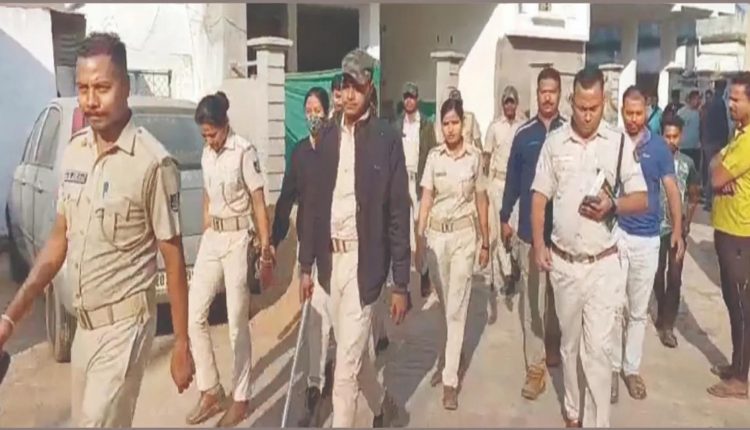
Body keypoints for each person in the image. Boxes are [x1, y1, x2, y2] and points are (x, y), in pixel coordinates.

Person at [0, 32, 195, 426]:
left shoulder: (152, 163)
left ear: (126, 87)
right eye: (83, 88)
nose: (90, 100)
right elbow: (59, 238)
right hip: (84, 330)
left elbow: (173, 258)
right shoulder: (75, 151)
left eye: (102, 88)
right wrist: (10, 316)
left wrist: (181, 343)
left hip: (125, 330)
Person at [297, 48, 409, 427]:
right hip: (330, 264)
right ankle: (383, 408)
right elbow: (313, 206)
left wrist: (401, 283)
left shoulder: (386, 139)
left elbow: (398, 212)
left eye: (356, 87)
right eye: (344, 86)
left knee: (343, 374)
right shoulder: (326, 137)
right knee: (354, 357)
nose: (349, 94)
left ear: (370, 87)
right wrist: (306, 266)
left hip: (364, 266)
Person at [531, 66, 648, 428]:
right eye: (581, 107)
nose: (586, 115)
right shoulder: (555, 143)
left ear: (604, 102)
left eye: (594, 108)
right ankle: (572, 412)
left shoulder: (618, 143)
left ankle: (599, 423)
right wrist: (538, 245)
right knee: (569, 346)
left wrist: (614, 205)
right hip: (564, 265)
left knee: (597, 351)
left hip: (603, 265)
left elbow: (642, 198)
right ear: (571, 101)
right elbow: (539, 197)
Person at [186, 91, 274, 427]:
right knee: (195, 313)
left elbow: (258, 200)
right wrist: (206, 224)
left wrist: (265, 249)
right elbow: (207, 194)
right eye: (204, 135)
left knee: (237, 322)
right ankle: (210, 389)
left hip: (238, 239)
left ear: (225, 124)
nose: (209, 140)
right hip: (214, 237)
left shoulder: (243, 152)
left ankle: (241, 397)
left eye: (212, 133)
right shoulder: (206, 153)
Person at [609, 86, 684, 404]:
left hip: (648, 239)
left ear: (646, 112)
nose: (633, 119)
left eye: (639, 113)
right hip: (618, 235)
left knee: (638, 311)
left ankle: (631, 369)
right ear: (622, 112)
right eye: (628, 113)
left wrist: (678, 231)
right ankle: (612, 370)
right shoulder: (613, 143)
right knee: (614, 307)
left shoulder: (659, 149)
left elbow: (672, 190)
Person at [415, 97, 490, 410]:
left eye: (455, 122)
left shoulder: (474, 158)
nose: (450, 129)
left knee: (457, 307)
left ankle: (450, 380)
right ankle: (451, 355)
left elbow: (481, 199)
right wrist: (419, 239)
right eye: (445, 123)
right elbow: (426, 197)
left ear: (463, 123)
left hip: (463, 237)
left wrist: (485, 241)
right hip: (436, 238)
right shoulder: (434, 157)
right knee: (445, 303)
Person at [501, 68, 566, 401]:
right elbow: (512, 180)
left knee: (560, 304)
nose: (547, 96)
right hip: (530, 234)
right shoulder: (524, 135)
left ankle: (554, 351)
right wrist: (504, 217)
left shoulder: (569, 133)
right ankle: (535, 368)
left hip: (564, 238)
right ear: (537, 93)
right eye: (543, 91)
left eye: (553, 91)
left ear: (560, 93)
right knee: (533, 305)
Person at [271, 87, 333, 427]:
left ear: (327, 112)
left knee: (338, 317)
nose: (312, 115)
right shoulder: (299, 154)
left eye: (317, 109)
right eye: (308, 109)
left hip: (338, 246)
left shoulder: (337, 150)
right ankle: (314, 384)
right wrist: (273, 239)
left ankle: (339, 369)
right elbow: (286, 198)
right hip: (310, 248)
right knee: (315, 316)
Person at [706, 72, 750, 400]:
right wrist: (718, 166)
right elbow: (715, 168)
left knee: (741, 307)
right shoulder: (739, 135)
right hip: (727, 230)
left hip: (740, 234)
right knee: (733, 304)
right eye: (729, 98)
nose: (730, 104)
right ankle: (737, 366)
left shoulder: (747, 142)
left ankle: (740, 379)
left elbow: (716, 176)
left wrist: (719, 167)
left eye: (736, 99)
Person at [653, 115, 700, 349]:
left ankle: (668, 325)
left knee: (674, 276)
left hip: (677, 230)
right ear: (661, 135)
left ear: (681, 136)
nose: (671, 141)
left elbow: (694, 194)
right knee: (656, 274)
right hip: (655, 229)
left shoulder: (687, 163)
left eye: (675, 136)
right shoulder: (652, 160)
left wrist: (687, 222)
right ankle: (661, 311)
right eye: (667, 136)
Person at [393, 82, 438, 299]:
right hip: (401, 182)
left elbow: (432, 153)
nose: (409, 100)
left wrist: (431, 185)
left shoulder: (426, 125)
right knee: (401, 232)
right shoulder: (397, 125)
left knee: (420, 232)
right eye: (406, 97)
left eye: (412, 97)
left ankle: (424, 271)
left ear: (417, 99)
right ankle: (404, 284)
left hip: (419, 182)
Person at [484, 85, 526, 294]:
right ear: (502, 104)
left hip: (518, 184)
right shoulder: (494, 127)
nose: (509, 106)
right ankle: (506, 274)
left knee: (516, 230)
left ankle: (515, 262)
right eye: (506, 102)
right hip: (499, 183)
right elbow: (487, 155)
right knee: (500, 231)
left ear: (516, 104)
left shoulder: (523, 126)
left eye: (512, 102)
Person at [701, 80, 730, 211]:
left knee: (710, 170)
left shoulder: (710, 102)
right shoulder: (719, 102)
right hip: (716, 141)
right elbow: (722, 124)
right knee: (714, 170)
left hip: (709, 140)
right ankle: (710, 200)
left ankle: (709, 199)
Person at [677, 90, 702, 170]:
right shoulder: (681, 112)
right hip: (684, 148)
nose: (698, 101)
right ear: (691, 99)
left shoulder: (699, 113)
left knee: (695, 170)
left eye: (699, 99)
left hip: (696, 148)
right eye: (696, 99)